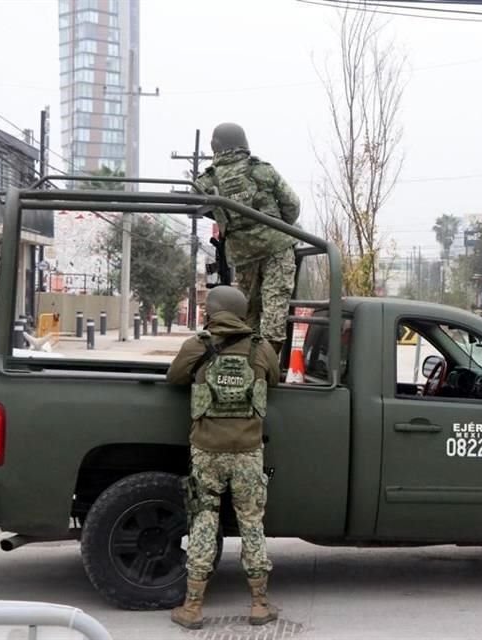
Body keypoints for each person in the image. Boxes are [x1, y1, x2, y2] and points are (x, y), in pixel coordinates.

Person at [166, 286, 281, 629]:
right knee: (251, 523)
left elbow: (174, 378)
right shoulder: (261, 348)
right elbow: (273, 380)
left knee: (203, 522)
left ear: (212, 313)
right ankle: (260, 604)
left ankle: (193, 607)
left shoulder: (196, 346)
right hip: (248, 452)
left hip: (207, 451)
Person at [195, 122, 300, 358]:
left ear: (215, 146)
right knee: (275, 305)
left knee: (247, 310)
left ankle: (247, 360)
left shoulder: (207, 181)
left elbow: (198, 204)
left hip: (242, 254)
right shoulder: (261, 170)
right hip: (277, 247)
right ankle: (268, 363)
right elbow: (292, 206)